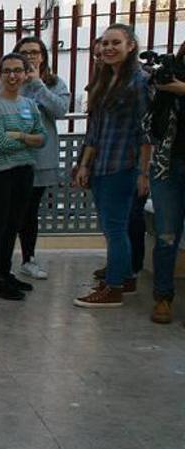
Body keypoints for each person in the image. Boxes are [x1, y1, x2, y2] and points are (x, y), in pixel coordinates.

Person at [74, 24, 152, 308]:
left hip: (124, 165)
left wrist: (144, 172)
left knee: (116, 228)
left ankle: (114, 287)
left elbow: (147, 132)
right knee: (110, 228)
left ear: (131, 46)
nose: (108, 48)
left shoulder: (140, 81)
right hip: (101, 165)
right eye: (104, 43)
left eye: (115, 43)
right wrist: (84, 165)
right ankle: (124, 276)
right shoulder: (104, 79)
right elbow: (94, 129)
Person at [0, 37, 72, 281]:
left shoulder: (53, 83)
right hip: (10, 159)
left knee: (29, 212)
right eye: (24, 52)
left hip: (39, 160)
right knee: (9, 211)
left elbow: (60, 110)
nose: (30, 57)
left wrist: (39, 85)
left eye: (34, 52)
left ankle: (28, 258)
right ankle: (2, 261)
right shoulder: (8, 82)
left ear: (43, 56)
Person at [0, 53, 47, 300]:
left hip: (23, 171)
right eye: (7, 71)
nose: (12, 75)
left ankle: (6, 272)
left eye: (18, 70)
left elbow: (42, 138)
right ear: (0, 75)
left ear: (26, 74)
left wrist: (19, 136)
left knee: (13, 225)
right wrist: (27, 139)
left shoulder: (29, 105)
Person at [142, 40, 185, 324]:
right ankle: (163, 298)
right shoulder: (168, 75)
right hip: (168, 166)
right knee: (166, 234)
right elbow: (150, 125)